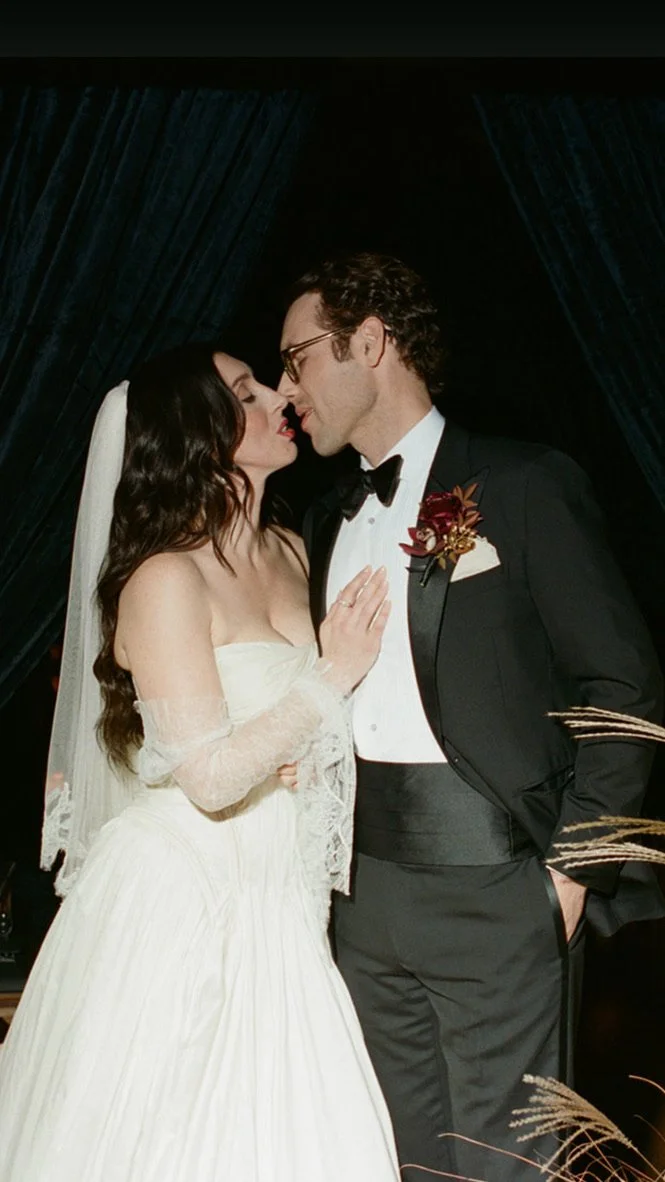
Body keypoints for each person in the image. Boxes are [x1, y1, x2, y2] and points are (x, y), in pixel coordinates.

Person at [278, 251, 665, 1181]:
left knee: (509, 1163)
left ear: (369, 342)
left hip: (497, 888)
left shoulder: (521, 482)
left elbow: (626, 687)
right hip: (359, 895)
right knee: (401, 1157)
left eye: (297, 359)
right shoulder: (327, 519)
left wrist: (572, 876)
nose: (289, 389)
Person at [0, 341, 401, 1182]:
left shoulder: (293, 552)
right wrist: (330, 678)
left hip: (280, 907)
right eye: (245, 392)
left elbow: (290, 731)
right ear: (195, 433)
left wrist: (305, 754)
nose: (273, 399)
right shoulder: (162, 579)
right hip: (186, 901)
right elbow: (213, 779)